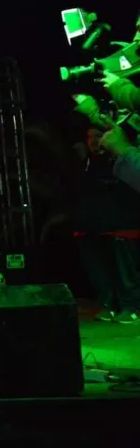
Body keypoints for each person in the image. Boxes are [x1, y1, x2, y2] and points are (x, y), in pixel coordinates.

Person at [80, 127, 140, 324]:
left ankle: (132, 306)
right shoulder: (86, 161)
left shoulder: (119, 160)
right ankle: (109, 303)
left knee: (125, 272)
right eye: (89, 137)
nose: (94, 141)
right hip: (95, 225)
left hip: (122, 224)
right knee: (103, 271)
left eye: (98, 136)